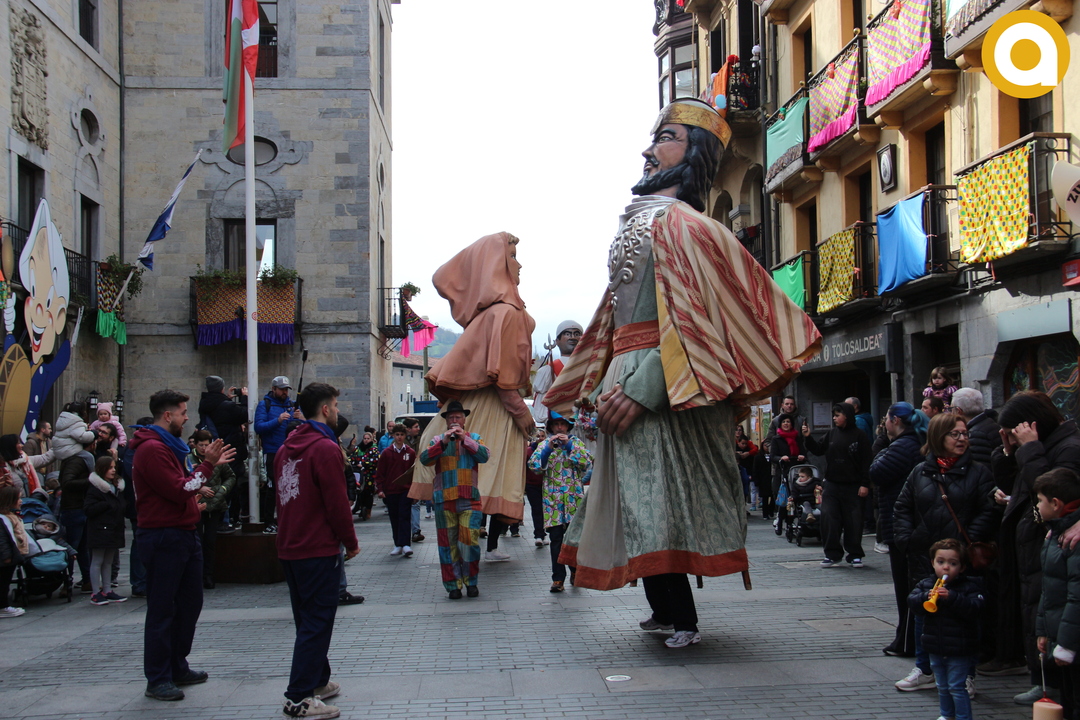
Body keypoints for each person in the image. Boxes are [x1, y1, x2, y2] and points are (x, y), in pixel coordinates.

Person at [543, 98, 820, 649]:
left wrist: (644, 388)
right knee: (634, 501)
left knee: (660, 502)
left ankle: (684, 617)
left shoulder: (688, 226)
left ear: (694, 153)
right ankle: (661, 609)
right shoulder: (645, 220)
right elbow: (613, 317)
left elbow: (695, 321)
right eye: (655, 138)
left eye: (666, 137)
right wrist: (598, 382)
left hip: (670, 381)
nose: (649, 150)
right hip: (630, 375)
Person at [410, 232, 535, 526]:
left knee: (462, 504)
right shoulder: (507, 312)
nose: (519, 265)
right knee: (478, 494)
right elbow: (502, 377)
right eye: (512, 257)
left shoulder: (489, 314)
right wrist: (520, 410)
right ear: (496, 264)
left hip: (476, 409)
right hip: (495, 412)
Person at [129, 389, 234, 702]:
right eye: (183, 413)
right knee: (163, 609)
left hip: (183, 532)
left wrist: (203, 473)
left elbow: (185, 485)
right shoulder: (152, 449)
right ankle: (158, 676)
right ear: (167, 415)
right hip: (164, 535)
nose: (187, 418)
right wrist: (207, 466)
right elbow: (180, 489)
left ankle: (176, 664)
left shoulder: (168, 447)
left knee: (189, 604)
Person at [893, 412, 996, 697]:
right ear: (938, 437)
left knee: (964, 616)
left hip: (961, 561)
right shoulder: (920, 471)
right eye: (955, 434)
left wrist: (964, 544)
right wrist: (907, 540)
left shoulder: (979, 473)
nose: (962, 439)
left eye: (965, 434)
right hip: (924, 557)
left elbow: (988, 511)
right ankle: (924, 669)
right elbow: (902, 507)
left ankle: (966, 674)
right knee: (923, 613)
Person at [274, 382, 359, 719]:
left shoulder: (286, 447)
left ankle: (317, 680)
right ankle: (298, 697)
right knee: (317, 621)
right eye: (335, 405)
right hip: (317, 546)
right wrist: (350, 541)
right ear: (325, 409)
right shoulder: (325, 448)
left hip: (290, 544)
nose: (337, 410)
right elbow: (337, 502)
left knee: (306, 619)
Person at [994, 391, 1080, 704]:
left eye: (1012, 432)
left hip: (1054, 544)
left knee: (1053, 612)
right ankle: (1043, 679)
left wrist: (1029, 449)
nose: (1011, 437)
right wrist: (1009, 453)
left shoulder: (1068, 448)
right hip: (1034, 542)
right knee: (1037, 612)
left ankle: (1054, 684)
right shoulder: (1040, 446)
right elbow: (1018, 485)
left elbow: (1050, 490)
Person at [871, 402, 930, 657]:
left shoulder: (902, 446)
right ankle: (907, 638)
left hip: (902, 526)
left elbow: (876, 472)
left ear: (895, 420)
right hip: (910, 524)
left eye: (886, 418)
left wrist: (883, 446)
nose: (884, 423)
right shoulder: (914, 443)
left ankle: (907, 640)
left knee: (906, 584)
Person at [419, 400, 490, 599]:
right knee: (447, 545)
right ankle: (453, 586)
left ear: (464, 420)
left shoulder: (474, 438)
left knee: (469, 542)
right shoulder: (437, 440)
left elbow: (484, 456)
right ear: (446, 421)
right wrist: (443, 443)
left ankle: (471, 582)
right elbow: (425, 459)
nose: (454, 420)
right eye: (451, 417)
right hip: (444, 500)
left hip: (470, 499)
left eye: (458, 417)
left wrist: (464, 439)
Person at [908, 539, 984, 720]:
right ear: (933, 563)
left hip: (959, 648)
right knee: (941, 686)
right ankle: (946, 715)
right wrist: (925, 597)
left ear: (962, 567)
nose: (946, 568)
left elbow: (976, 608)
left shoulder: (970, 587)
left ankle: (963, 717)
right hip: (935, 645)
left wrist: (953, 598)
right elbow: (912, 602)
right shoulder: (926, 584)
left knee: (956, 686)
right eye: (940, 562)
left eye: (953, 563)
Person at [803, 403, 871, 568]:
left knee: (853, 521)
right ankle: (832, 554)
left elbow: (866, 461)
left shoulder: (860, 435)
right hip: (832, 484)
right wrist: (808, 437)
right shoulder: (831, 434)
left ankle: (854, 554)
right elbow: (818, 449)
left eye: (837, 415)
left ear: (846, 416)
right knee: (829, 518)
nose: (834, 418)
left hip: (853, 485)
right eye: (833, 415)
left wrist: (865, 484)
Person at [1035, 468, 1080, 719]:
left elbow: (1076, 596)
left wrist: (1066, 644)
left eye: (1040, 500)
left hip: (1071, 640)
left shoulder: (1073, 539)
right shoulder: (1056, 532)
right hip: (1061, 634)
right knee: (1067, 698)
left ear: (1055, 503)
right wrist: (1044, 631)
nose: (1037, 506)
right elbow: (1049, 589)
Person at [528, 412, 590, 592]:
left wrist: (569, 445)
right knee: (555, 539)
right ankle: (558, 578)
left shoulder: (576, 443)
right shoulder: (544, 444)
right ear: (551, 427)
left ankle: (575, 570)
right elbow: (534, 467)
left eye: (563, 424)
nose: (560, 428)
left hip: (573, 498)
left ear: (568, 427)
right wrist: (547, 449)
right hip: (552, 500)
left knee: (573, 538)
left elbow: (586, 463)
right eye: (556, 425)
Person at [187, 430, 236, 590]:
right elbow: (184, 480)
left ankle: (208, 575)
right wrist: (199, 488)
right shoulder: (189, 459)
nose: (203, 448)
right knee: (197, 541)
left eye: (206, 445)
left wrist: (221, 490)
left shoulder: (217, 458)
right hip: (196, 504)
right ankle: (197, 575)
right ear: (195, 445)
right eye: (201, 445)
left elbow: (230, 476)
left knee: (210, 541)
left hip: (215, 505)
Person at [254, 376, 302, 534]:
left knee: (292, 485)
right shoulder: (265, 405)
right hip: (272, 451)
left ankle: (288, 519)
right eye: (281, 389)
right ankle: (268, 521)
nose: (284, 392)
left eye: (286, 389)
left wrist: (300, 419)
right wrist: (278, 420)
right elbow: (259, 427)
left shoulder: (292, 405)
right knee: (272, 486)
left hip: (291, 451)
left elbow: (300, 427)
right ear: (273, 389)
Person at [84, 455, 127, 605]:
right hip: (100, 528)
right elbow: (88, 509)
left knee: (108, 560)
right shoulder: (95, 488)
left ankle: (107, 589)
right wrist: (106, 505)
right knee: (97, 560)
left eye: (114, 467)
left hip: (113, 527)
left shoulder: (116, 487)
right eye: (110, 468)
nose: (113, 470)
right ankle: (96, 592)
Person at [59, 436, 96, 591]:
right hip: (74, 508)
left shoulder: (83, 459)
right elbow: (67, 482)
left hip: (80, 507)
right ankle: (66, 582)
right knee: (72, 547)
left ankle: (87, 580)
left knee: (82, 547)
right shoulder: (77, 460)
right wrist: (91, 481)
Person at [374, 424, 415, 558]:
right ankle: (398, 544)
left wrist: (414, 489)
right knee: (394, 517)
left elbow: (413, 472)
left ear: (405, 436)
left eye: (402, 435)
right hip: (391, 490)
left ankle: (406, 544)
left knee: (405, 515)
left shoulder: (410, 452)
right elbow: (381, 473)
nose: (399, 437)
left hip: (405, 489)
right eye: (397, 435)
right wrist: (380, 489)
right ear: (393, 436)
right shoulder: (386, 453)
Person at [532, 320, 583, 424]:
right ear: (557, 341)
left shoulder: (591, 367)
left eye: (577, 334)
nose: (572, 337)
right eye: (567, 334)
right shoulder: (548, 371)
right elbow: (541, 408)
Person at [770, 415, 807, 534]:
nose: (786, 424)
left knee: (797, 496)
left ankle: (796, 519)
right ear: (780, 425)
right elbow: (772, 456)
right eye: (784, 422)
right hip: (783, 471)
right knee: (785, 498)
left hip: (797, 471)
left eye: (788, 422)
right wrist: (781, 458)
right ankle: (780, 520)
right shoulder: (776, 439)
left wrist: (802, 456)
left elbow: (804, 452)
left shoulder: (797, 438)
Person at [950, 388, 1002, 467]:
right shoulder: (990, 423)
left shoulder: (976, 434)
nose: (950, 413)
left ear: (958, 411)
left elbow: (980, 467)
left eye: (951, 409)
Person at [0, 485, 27, 617]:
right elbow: (3, 539)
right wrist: (7, 556)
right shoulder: (4, 519)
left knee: (5, 581)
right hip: (6, 558)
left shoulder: (10, 517)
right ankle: (3, 607)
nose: (21, 501)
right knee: (3, 582)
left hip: (9, 555)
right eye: (18, 498)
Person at [349, 428, 379, 520]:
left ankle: (368, 510)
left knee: (368, 492)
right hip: (359, 474)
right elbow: (352, 458)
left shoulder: (374, 449)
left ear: (371, 439)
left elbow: (375, 461)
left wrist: (364, 464)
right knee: (359, 492)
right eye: (365, 438)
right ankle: (360, 507)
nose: (366, 440)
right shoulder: (357, 448)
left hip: (369, 474)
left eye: (368, 438)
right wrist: (355, 464)